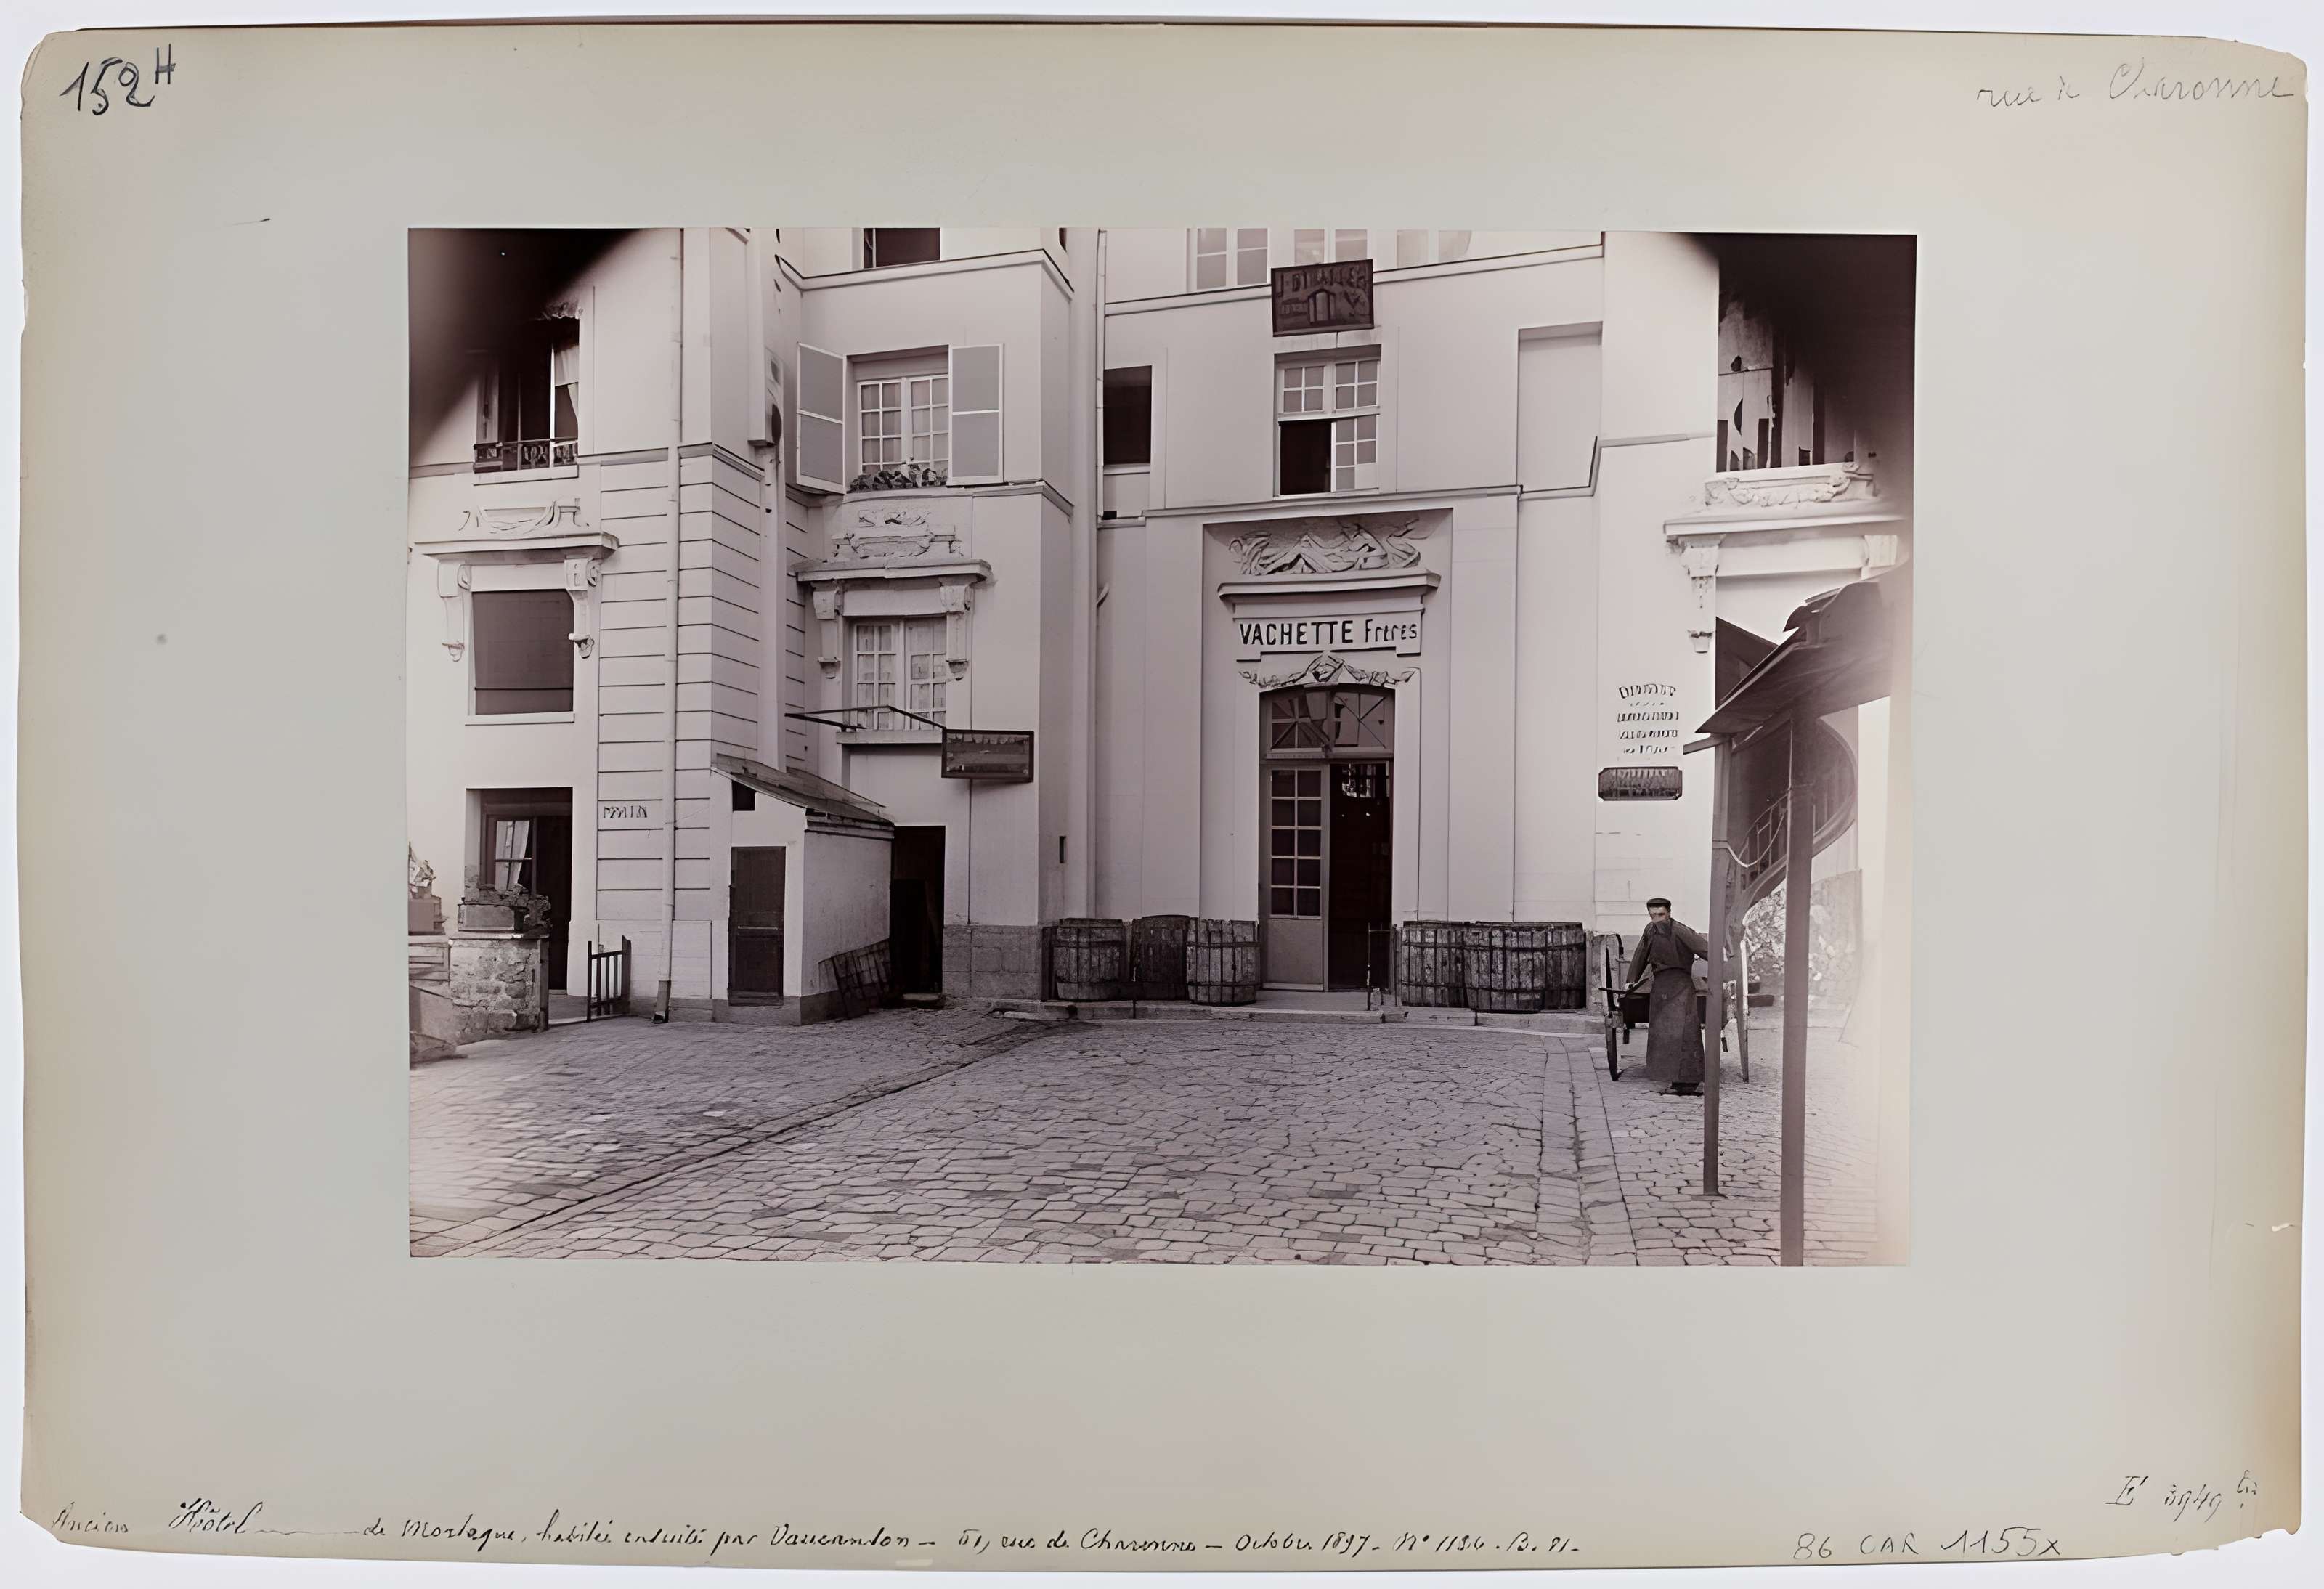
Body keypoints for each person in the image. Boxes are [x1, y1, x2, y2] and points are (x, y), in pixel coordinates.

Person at [1626, 897, 1710, 1096]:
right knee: (1665, 1036)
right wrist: (1632, 979)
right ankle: (1673, 1079)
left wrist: (1721, 966)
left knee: (1686, 1034)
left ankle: (1690, 1082)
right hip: (1661, 987)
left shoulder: (1681, 931)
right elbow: (1641, 954)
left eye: (1661, 915)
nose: (1657, 920)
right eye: (1653, 915)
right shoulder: (1650, 930)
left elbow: (1706, 950)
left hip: (1681, 987)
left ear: (1670, 913)